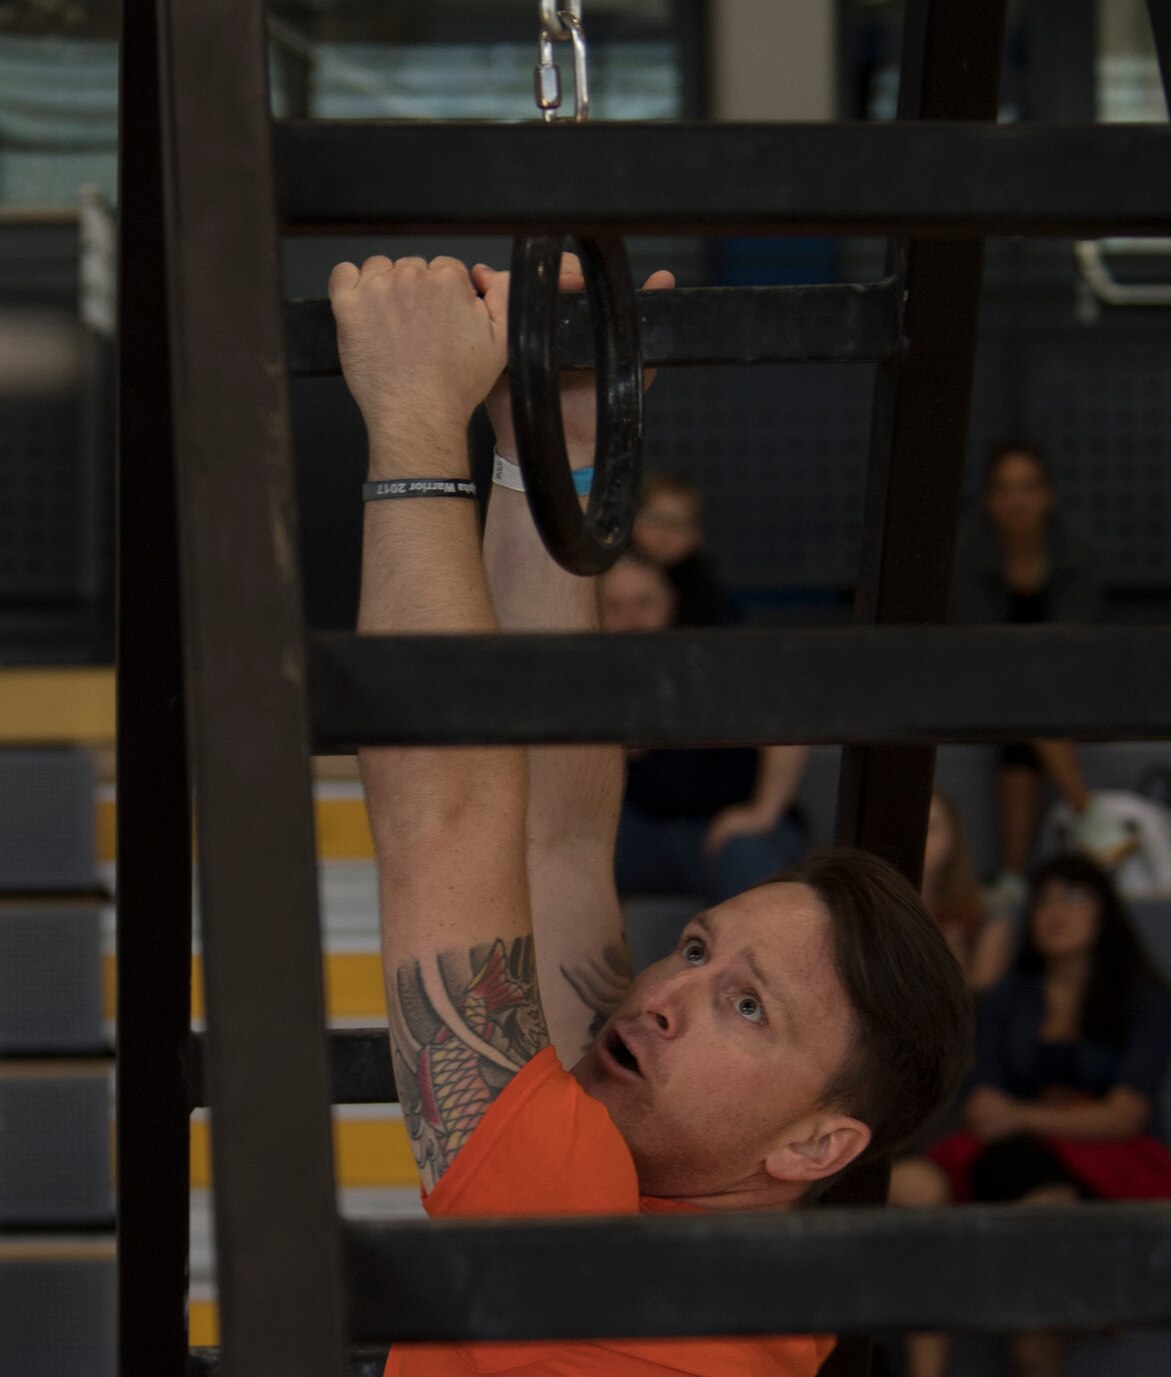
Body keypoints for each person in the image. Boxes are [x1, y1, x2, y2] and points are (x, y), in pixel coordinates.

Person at [329, 251, 972, 1377]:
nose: (666, 995)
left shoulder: (579, 1233)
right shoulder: (740, 1270)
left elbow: (445, 819)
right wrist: (555, 456)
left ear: (821, 1142)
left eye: (745, 1007)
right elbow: (558, 838)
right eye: (694, 948)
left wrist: (414, 420)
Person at [896, 854, 1171, 1377]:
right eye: (1045, 899)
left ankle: (1040, 1312)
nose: (1056, 911)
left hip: (1112, 1163)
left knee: (1030, 1194)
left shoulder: (1145, 1001)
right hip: (1007, 1158)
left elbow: (1123, 1115)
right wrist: (1021, 1116)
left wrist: (1025, 1115)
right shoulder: (1011, 997)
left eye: (1074, 898)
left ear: (1106, 913)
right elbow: (983, 1106)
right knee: (913, 1187)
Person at [599, 554, 811, 904]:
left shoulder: (714, 657)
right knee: (561, 848)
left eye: (643, 603)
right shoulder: (590, 673)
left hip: (723, 826)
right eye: (615, 606)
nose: (630, 619)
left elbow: (789, 726)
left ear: (671, 603)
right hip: (641, 831)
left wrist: (761, 813)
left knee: (746, 855)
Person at [951, 441, 1114, 894]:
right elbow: (976, 648)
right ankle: (1087, 812)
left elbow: (1075, 644)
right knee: (1023, 707)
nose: (1016, 499)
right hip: (983, 687)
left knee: (1024, 728)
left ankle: (1011, 878)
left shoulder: (1077, 550)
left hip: (1066, 687)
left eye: (1028, 487)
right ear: (988, 500)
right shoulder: (968, 550)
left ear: (1048, 495)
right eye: (1004, 489)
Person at [924, 791, 1013, 996]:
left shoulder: (988, 911)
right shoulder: (872, 907)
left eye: (931, 828)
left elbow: (983, 998)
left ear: (953, 837)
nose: (919, 838)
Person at [631, 472, 737, 628]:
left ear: (697, 535)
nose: (665, 533)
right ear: (631, 522)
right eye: (654, 519)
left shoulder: (704, 590)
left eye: (679, 523)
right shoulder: (607, 575)